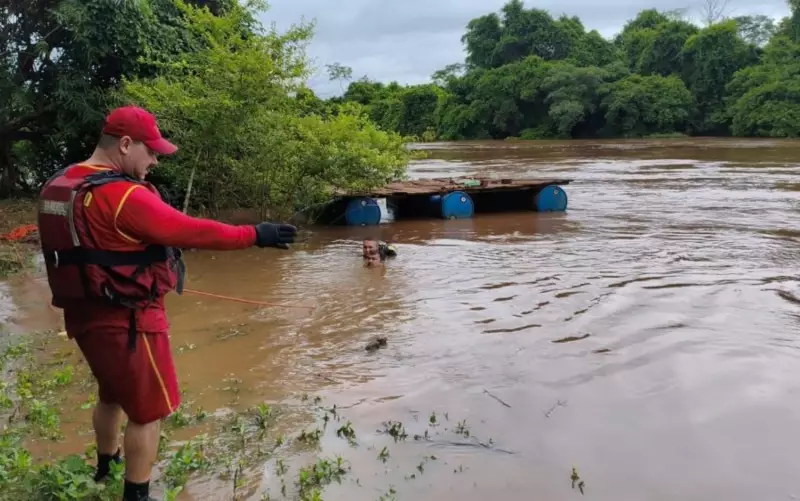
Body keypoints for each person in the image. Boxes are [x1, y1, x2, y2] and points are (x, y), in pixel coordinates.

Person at [36, 105, 297, 501]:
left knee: (111, 393)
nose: (155, 161)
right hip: (129, 321)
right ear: (125, 144)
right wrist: (255, 234)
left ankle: (106, 467)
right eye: (152, 152)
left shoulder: (62, 183)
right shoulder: (123, 197)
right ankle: (136, 495)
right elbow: (191, 229)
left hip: (84, 313)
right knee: (147, 412)